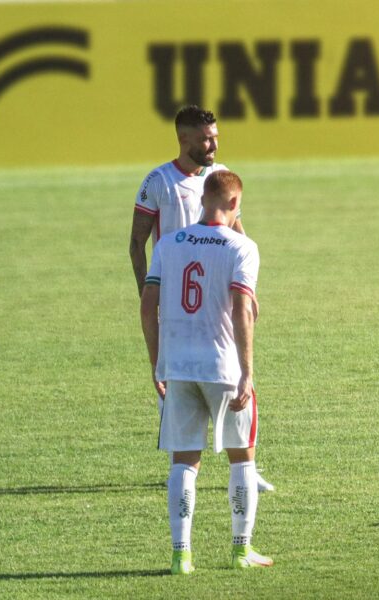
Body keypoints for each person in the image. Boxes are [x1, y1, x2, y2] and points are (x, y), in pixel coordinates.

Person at [130, 105, 273, 493]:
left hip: (215, 291)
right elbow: (137, 243)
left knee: (229, 375)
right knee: (175, 379)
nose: (212, 144)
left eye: (215, 137)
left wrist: (249, 289)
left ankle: (245, 466)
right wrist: (150, 293)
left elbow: (238, 232)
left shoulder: (218, 175)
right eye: (206, 138)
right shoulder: (158, 181)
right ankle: (180, 463)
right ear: (184, 139)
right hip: (176, 294)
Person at [140, 171, 273, 574]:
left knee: (184, 460)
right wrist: (247, 371)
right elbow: (241, 308)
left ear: (203, 199)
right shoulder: (242, 247)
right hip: (223, 368)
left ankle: (181, 555)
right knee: (241, 458)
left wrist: (157, 363)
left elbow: (148, 305)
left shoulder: (167, 244)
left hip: (178, 365)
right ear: (234, 204)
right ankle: (240, 549)